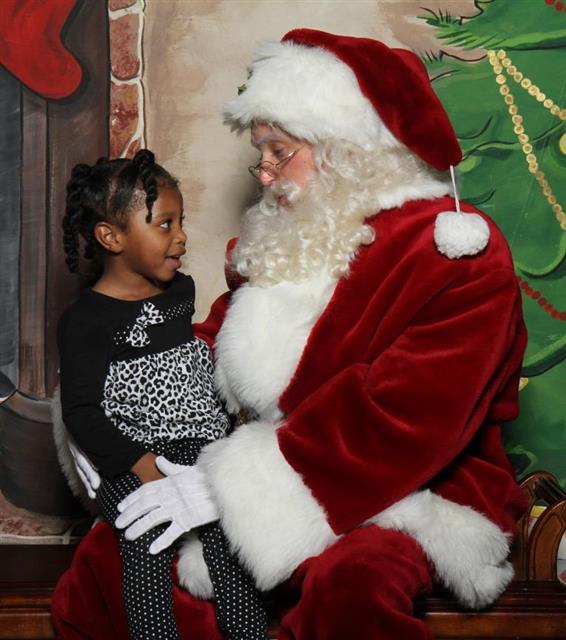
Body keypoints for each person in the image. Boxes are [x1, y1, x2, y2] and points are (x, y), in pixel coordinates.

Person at [52, 30, 528, 640]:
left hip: (415, 493)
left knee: (351, 585)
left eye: (280, 150)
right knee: (111, 556)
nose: (268, 174)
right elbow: (211, 351)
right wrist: (105, 414)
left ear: (345, 147)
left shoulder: (455, 254)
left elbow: (407, 416)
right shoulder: (298, 233)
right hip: (263, 476)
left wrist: (230, 489)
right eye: (261, 154)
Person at [56, 149, 269, 640]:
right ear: (111, 236)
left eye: (182, 221)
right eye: (165, 224)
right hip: (136, 458)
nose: (181, 237)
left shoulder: (181, 292)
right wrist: (141, 465)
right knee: (144, 541)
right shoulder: (85, 322)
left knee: (230, 539)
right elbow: (81, 411)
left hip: (202, 447)